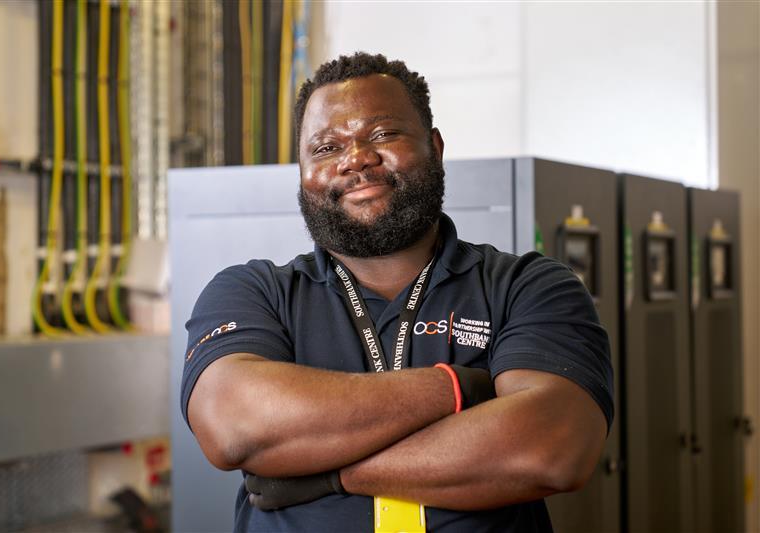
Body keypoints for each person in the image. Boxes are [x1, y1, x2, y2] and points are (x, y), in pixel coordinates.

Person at [182, 52, 613, 532]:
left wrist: (324, 475)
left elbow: (550, 449)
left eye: (383, 135)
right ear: (302, 172)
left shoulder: (527, 286)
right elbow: (234, 426)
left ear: (435, 147)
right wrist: (459, 388)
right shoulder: (252, 293)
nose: (356, 159)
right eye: (325, 147)